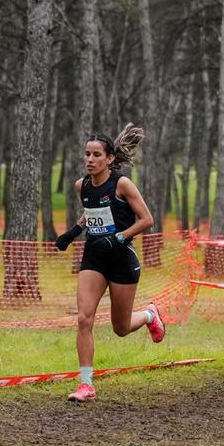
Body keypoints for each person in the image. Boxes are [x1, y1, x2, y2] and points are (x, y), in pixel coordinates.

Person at [61, 126, 160, 402]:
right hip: (93, 257)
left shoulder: (122, 184)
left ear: (109, 159)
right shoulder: (82, 185)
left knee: (121, 327)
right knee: (84, 318)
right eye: (87, 154)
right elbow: (90, 212)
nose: (89, 160)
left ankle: (150, 315)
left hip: (121, 259)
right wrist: (72, 232)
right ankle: (86, 384)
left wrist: (118, 238)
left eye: (96, 155)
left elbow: (146, 220)